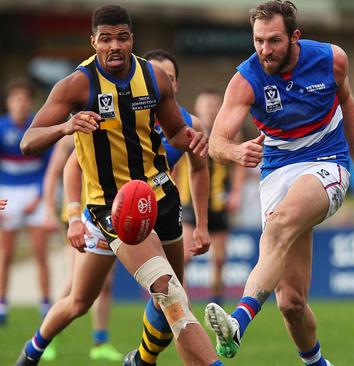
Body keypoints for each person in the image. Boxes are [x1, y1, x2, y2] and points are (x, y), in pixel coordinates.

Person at [15, 5, 222, 366]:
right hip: (113, 208)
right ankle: (31, 353)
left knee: (175, 299)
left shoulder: (154, 78)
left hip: (162, 198)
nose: (115, 46)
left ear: (132, 40)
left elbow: (176, 132)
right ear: (93, 42)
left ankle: (142, 360)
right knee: (102, 300)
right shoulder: (77, 85)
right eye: (106, 38)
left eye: (122, 37)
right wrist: (66, 126)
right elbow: (28, 141)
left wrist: (194, 140)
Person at [205, 1, 354, 365]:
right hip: (276, 172)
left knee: (279, 227)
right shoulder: (246, 79)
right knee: (291, 303)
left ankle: (237, 322)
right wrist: (235, 153)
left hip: (328, 162)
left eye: (274, 41)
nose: (265, 50)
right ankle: (317, 363)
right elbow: (216, 141)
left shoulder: (331, 59)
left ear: (295, 37)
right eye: (258, 41)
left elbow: (348, 102)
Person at [39, 135, 123, 361]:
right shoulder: (70, 138)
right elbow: (54, 173)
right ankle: (48, 336)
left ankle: (100, 342)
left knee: (107, 283)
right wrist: (48, 209)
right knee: (75, 282)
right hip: (78, 218)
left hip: (106, 214)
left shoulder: (113, 128)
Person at [179, 88, 245, 305]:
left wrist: (236, 192)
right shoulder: (185, 129)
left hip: (218, 203)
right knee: (184, 258)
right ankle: (182, 305)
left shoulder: (229, 132)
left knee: (218, 260)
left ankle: (216, 305)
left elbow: (238, 166)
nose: (210, 110)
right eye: (206, 106)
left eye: (214, 106)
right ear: (197, 108)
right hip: (189, 203)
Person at [0, 79, 53, 326]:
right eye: (15, 99)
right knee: (6, 253)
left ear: (31, 103)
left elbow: (50, 166)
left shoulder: (38, 126)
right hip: (8, 192)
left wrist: (41, 195)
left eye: (24, 99)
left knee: (41, 252)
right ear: (8, 103)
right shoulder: (1, 128)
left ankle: (45, 303)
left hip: (34, 192)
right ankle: (2, 304)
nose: (20, 104)